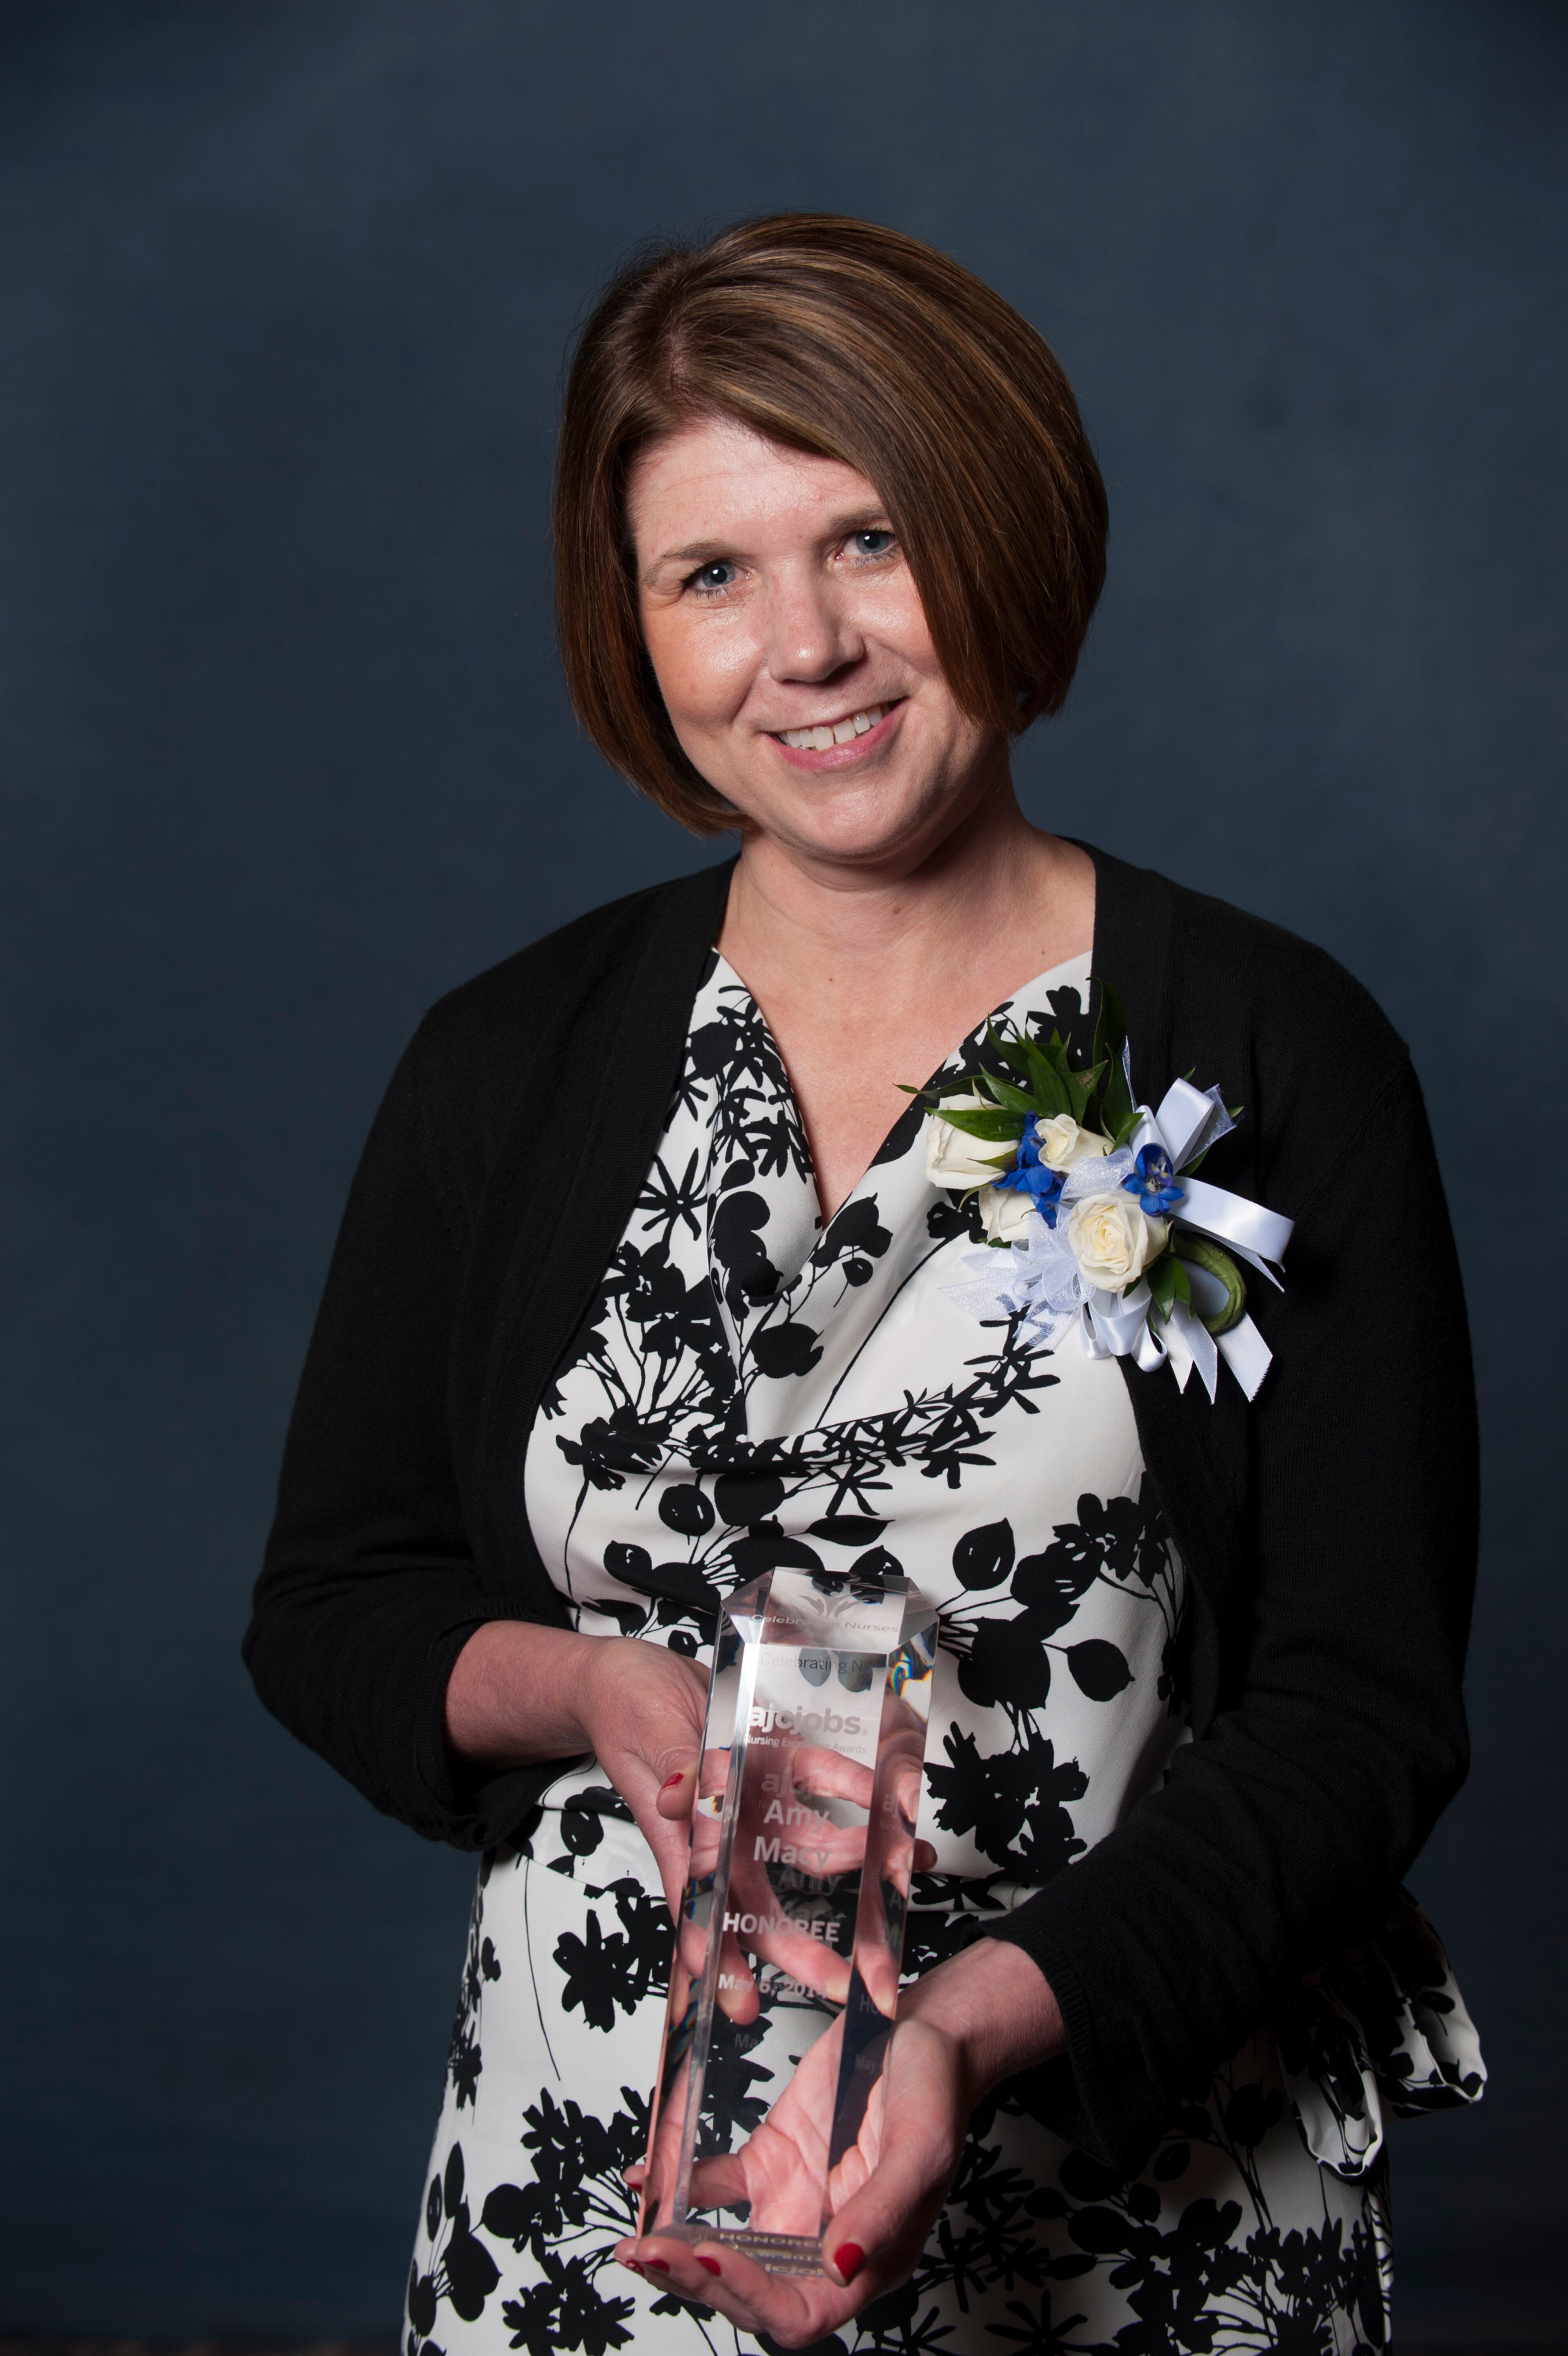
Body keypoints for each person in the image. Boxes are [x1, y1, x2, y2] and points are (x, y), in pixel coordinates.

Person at [245, 215, 1484, 2355]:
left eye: (872, 540)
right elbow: (334, 1602)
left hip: (1143, 2209)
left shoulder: (1249, 1057)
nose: (801, 647)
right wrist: (590, 1691)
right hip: (597, 2201)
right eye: (708, 575)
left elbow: (1356, 1713)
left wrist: (980, 2028)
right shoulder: (511, 1063)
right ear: (631, 632)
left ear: (1005, 540)